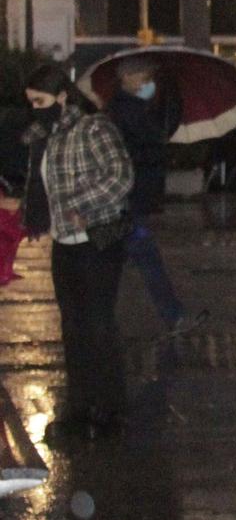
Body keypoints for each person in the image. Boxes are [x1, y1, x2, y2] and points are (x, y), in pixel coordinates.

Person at [11, 64, 135, 436]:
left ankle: (111, 409)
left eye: (41, 100)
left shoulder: (92, 128)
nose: (35, 108)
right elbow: (43, 188)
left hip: (99, 240)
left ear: (63, 97)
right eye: (30, 102)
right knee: (73, 327)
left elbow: (120, 176)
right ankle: (80, 408)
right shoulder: (43, 136)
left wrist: (82, 207)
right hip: (64, 241)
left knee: (98, 324)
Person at [106, 56, 203, 336]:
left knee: (114, 258)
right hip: (128, 199)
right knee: (142, 256)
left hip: (132, 199)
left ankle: (96, 317)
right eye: (144, 77)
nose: (149, 83)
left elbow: (162, 128)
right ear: (128, 79)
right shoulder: (125, 111)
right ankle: (173, 317)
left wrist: (171, 88)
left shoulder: (134, 108)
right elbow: (155, 137)